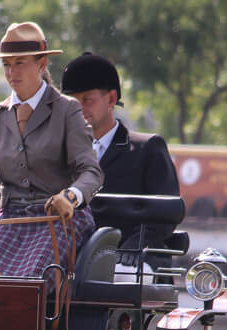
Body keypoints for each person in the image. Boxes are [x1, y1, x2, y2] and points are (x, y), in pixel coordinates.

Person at [0, 22, 102, 278]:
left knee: (30, 280)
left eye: (20, 63)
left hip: (59, 220)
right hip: (11, 221)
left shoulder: (67, 110)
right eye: (6, 65)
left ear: (42, 64)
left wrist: (70, 196)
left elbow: (91, 171)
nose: (12, 72)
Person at [59, 52, 180, 271]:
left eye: (87, 100)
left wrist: (132, 248)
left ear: (111, 99)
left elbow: (165, 215)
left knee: (122, 274)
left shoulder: (147, 149)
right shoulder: (56, 153)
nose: (78, 108)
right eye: (72, 102)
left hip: (129, 260)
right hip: (66, 257)